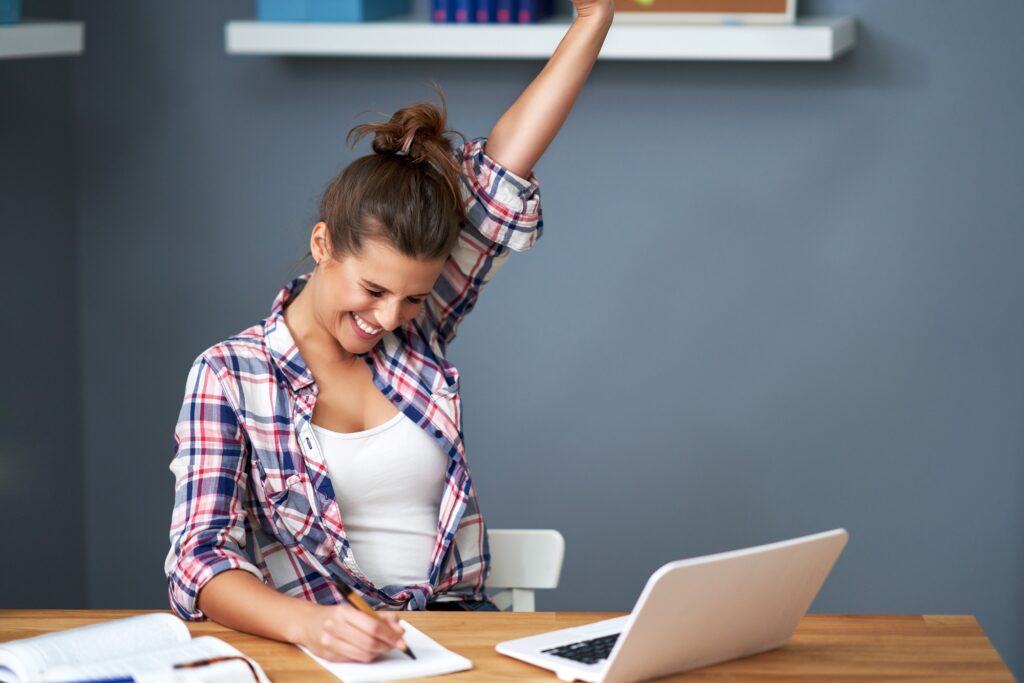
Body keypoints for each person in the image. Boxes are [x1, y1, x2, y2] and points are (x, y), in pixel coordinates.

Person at [165, 0, 614, 664]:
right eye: (372, 290)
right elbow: (200, 557)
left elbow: (503, 174)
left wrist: (594, 19)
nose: (385, 318)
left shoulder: (416, 336)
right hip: (325, 654)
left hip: (458, 643)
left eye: (411, 298)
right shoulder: (231, 374)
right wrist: (309, 624)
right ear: (323, 244)